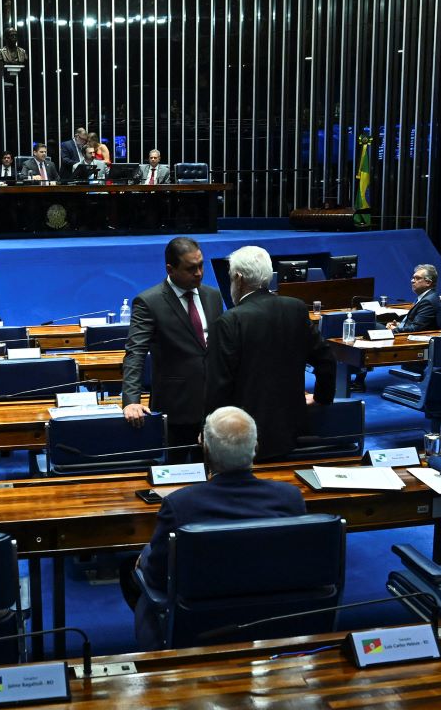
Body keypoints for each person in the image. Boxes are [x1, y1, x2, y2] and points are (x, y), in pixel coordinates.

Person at [125, 406, 306, 649]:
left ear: (205, 450)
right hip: (272, 621)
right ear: (255, 448)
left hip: (198, 629)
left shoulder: (180, 505)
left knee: (131, 570)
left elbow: (157, 576)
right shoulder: (290, 498)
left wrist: (143, 558)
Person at [204, 245, 336, 461]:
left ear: (238, 278)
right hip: (292, 429)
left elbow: (218, 384)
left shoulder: (230, 321)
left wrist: (208, 429)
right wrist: (322, 397)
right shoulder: (296, 309)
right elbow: (326, 359)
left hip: (242, 436)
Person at [122, 237, 224, 459]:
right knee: (177, 473)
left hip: (214, 405)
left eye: (201, 265)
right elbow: (135, 352)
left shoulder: (213, 296)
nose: (198, 273)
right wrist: (131, 401)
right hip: (176, 406)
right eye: (190, 268)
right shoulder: (149, 302)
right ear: (170, 268)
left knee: (213, 473)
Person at [386, 263, 441, 332]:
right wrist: (399, 325)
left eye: (417, 278)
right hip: (406, 333)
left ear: (428, 282)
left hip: (410, 339)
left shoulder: (428, 302)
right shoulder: (427, 296)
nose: (412, 281)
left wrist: (394, 330)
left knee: (373, 327)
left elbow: (415, 329)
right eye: (413, 278)